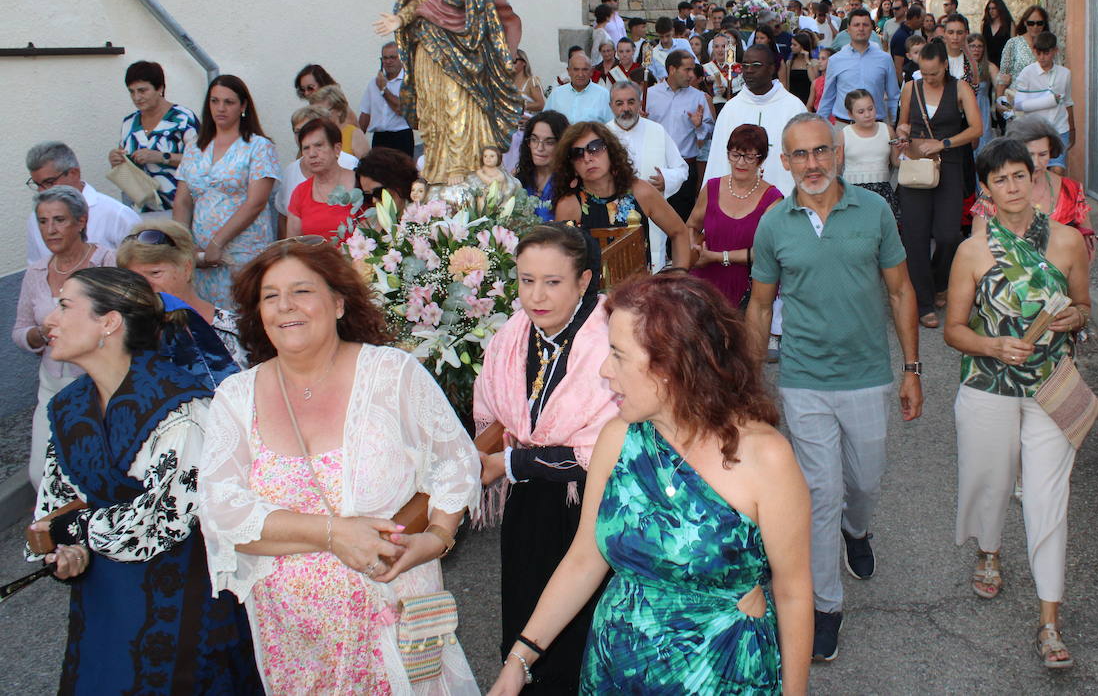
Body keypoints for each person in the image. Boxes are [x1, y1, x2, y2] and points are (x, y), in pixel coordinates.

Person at [489, 273, 813, 696]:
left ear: (671, 365)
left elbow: (792, 592)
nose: (605, 370)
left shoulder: (765, 458)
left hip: (722, 676)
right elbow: (585, 559)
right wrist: (519, 659)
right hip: (616, 670)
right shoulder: (618, 439)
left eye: (619, 355)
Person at [200, 239, 483, 694]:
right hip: (292, 640)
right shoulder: (236, 397)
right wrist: (332, 533)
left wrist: (437, 537)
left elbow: (455, 462)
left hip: (394, 619)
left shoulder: (392, 374)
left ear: (337, 302)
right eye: (270, 296)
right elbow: (221, 510)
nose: (285, 306)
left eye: (301, 291)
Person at [28, 267, 261, 693]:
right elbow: (57, 501)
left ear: (109, 322)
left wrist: (77, 529)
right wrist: (66, 550)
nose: (50, 320)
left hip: (181, 601)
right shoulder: (69, 405)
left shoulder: (182, 407)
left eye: (65, 306)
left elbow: (163, 521)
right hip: (104, 602)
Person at [745, 112, 922, 662]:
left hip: (867, 374)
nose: (813, 164)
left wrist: (913, 369)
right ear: (786, 161)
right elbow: (759, 303)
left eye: (821, 151)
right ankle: (826, 607)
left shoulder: (873, 212)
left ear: (838, 153)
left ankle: (859, 529)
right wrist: (751, 383)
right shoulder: (774, 223)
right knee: (819, 494)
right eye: (800, 155)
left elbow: (900, 291)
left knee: (863, 482)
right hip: (803, 379)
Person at [943, 137, 1092, 671]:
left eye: (1019, 176)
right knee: (991, 478)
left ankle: (1049, 618)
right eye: (999, 179)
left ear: (1035, 178)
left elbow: (1083, 306)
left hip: (1052, 385)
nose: (1011, 186)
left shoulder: (1069, 242)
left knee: (1050, 497)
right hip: (987, 383)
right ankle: (989, 547)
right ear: (985, 189)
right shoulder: (972, 250)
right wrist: (993, 345)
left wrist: (1076, 316)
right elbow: (954, 332)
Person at [472, 225, 619, 694]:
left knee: (583, 627)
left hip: (593, 507)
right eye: (525, 280)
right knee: (525, 602)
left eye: (553, 282)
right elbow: (495, 414)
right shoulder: (514, 334)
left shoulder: (609, 340)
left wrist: (510, 464)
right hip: (531, 507)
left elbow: (606, 448)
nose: (536, 296)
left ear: (583, 281)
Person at [374, 0, 523, 185]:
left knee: (459, 101)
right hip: (427, 46)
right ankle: (439, 166)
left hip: (461, 42)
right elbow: (414, 3)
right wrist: (399, 19)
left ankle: (466, 164)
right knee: (434, 104)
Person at [13, 186, 118, 488]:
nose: (50, 230)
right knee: (40, 474)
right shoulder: (34, 273)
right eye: (43, 221)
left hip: (100, 382)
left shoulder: (107, 262)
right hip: (53, 384)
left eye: (59, 220)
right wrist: (38, 333)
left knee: (97, 470)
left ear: (81, 221)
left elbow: (130, 318)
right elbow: (19, 331)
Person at [173, 74, 280, 309]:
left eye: (228, 102)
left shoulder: (258, 146)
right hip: (201, 257)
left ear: (243, 106)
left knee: (242, 317)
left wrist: (217, 241)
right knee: (205, 319)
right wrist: (184, 245)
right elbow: (182, 201)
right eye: (214, 101)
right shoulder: (194, 146)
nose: (220, 108)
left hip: (241, 252)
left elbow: (256, 202)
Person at [896, 40, 983, 327]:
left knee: (948, 235)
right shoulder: (912, 87)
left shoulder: (961, 89)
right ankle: (923, 302)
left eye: (933, 73)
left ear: (945, 65)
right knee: (915, 236)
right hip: (916, 167)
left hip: (951, 166)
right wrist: (903, 132)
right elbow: (903, 122)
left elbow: (976, 129)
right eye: (923, 72)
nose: (927, 78)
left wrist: (943, 143)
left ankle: (938, 281)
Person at [552, 122, 690, 270]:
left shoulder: (641, 192)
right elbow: (562, 264)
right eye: (577, 153)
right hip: (591, 292)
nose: (587, 158)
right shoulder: (569, 205)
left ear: (610, 151)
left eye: (595, 147)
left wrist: (679, 275)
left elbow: (679, 232)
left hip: (640, 291)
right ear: (571, 165)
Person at [118, 220, 249, 368]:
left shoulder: (238, 331)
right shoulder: (124, 336)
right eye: (136, 278)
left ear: (186, 268)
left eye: (155, 273)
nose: (146, 285)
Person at [686, 124, 783, 308]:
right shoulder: (712, 187)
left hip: (748, 289)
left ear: (761, 159)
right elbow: (691, 225)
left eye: (749, 157)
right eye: (735, 155)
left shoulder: (773, 199)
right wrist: (692, 247)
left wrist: (717, 257)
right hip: (703, 285)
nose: (740, 163)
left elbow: (767, 251)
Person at [971, 117, 1098, 258]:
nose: (1036, 163)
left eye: (1043, 154)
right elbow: (978, 250)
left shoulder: (1071, 190)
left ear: (1051, 151)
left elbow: (1088, 244)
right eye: (1029, 154)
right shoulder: (996, 193)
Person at [608, 81, 689, 271]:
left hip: (652, 216)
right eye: (619, 103)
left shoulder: (657, 131)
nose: (626, 108)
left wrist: (666, 179)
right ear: (611, 106)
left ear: (639, 103)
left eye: (631, 102)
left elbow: (681, 168)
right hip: (612, 216)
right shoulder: (603, 135)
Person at [704, 45, 807, 192]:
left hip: (783, 197)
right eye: (745, 65)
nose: (749, 70)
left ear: (772, 68)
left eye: (756, 65)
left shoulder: (794, 108)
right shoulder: (731, 109)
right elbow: (718, 159)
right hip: (738, 201)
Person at [25, 141, 141, 267]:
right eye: (37, 185)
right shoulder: (35, 218)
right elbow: (36, 267)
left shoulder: (117, 214)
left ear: (74, 173)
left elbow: (143, 266)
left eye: (49, 182)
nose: (42, 191)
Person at [108, 59, 200, 212]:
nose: (136, 97)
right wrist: (116, 159)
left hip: (180, 208)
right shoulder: (129, 122)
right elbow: (125, 162)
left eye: (142, 90)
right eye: (132, 91)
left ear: (160, 88)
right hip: (140, 209)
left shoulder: (183, 118)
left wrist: (161, 157)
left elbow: (202, 161)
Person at [644, 50, 713, 224]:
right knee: (653, 221)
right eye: (687, 70)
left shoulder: (698, 97)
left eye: (693, 70)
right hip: (655, 168)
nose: (692, 75)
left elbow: (709, 132)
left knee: (681, 223)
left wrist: (699, 126)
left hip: (685, 168)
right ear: (672, 69)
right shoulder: (649, 95)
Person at [274, 105, 359, 228]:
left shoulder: (352, 166)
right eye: (298, 132)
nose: (304, 135)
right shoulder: (292, 174)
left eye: (318, 144)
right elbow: (284, 218)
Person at [818, 9, 900, 126]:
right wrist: (821, 127)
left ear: (871, 28)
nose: (861, 29)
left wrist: (892, 124)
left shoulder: (885, 59)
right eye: (856, 25)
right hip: (844, 126)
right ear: (848, 29)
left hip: (876, 126)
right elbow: (827, 98)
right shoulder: (835, 60)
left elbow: (893, 96)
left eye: (865, 25)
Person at [1007, 32, 1074, 173]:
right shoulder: (1027, 73)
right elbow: (1019, 104)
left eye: (1046, 53)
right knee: (1036, 171)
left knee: (1057, 170)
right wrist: (1048, 101)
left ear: (1055, 51)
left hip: (1059, 129)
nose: (1042, 57)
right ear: (1034, 51)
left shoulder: (1065, 74)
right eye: (1038, 53)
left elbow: (1067, 102)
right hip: (1035, 132)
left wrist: (1072, 129)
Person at [840, 90, 899, 218]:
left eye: (870, 109)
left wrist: (905, 149)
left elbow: (896, 161)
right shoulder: (844, 134)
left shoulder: (887, 130)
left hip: (882, 191)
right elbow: (836, 167)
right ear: (850, 114)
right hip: (853, 193)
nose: (867, 114)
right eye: (861, 112)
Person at [358, 41, 415, 157]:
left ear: (401, 58)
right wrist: (356, 138)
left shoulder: (407, 83)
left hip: (401, 137)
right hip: (379, 139)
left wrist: (384, 90)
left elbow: (402, 109)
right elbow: (365, 115)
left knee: (401, 174)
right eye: (385, 58)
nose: (388, 62)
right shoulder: (373, 84)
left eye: (393, 58)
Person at [514, 111, 570, 222]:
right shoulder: (518, 178)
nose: (539, 148)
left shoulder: (571, 182)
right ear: (528, 143)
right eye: (534, 140)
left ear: (562, 145)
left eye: (549, 142)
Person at [996, 4, 1050, 103]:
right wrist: (999, 102)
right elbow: (1003, 76)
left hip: (1043, 101)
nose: (1035, 27)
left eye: (1039, 23)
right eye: (1031, 23)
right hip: (1017, 101)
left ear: (1044, 24)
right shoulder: (1013, 44)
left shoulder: (1050, 46)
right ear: (1025, 23)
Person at [544, 52, 612, 124]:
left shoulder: (604, 95)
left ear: (591, 71)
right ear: (568, 71)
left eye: (585, 69)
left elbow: (611, 126)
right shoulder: (556, 94)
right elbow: (545, 122)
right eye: (576, 69)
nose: (580, 74)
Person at [310, 84, 371, 159]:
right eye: (316, 112)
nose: (319, 116)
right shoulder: (313, 134)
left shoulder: (354, 134)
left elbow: (368, 167)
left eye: (324, 111)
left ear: (339, 110)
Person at [356, 146, 420, 215]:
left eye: (379, 193)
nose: (373, 200)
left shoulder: (427, 214)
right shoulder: (371, 223)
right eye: (367, 196)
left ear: (400, 184)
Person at [966, 33, 1002, 147]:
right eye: (972, 46)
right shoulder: (963, 66)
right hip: (966, 107)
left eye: (979, 46)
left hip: (982, 108)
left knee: (984, 140)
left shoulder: (989, 67)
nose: (976, 49)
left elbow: (999, 86)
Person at [981, 0, 1013, 78]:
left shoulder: (1010, 25)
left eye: (994, 8)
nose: (991, 11)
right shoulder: (984, 25)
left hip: (1004, 62)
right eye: (989, 8)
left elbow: (1012, 46)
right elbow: (983, 44)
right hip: (988, 62)